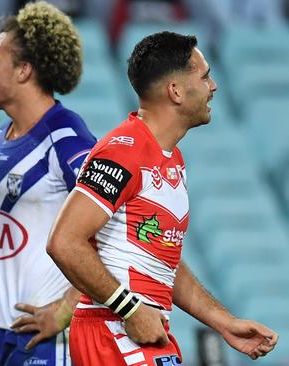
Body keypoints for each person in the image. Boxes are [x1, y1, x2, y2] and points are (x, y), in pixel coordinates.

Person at [46, 31, 279, 364]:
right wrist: (129, 308)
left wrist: (224, 323)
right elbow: (64, 241)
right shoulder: (123, 151)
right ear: (176, 91)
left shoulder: (171, 159)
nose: (214, 86)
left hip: (142, 327)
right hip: (113, 330)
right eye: (205, 76)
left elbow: (161, 259)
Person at [0, 2, 96, 365]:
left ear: (24, 70)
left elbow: (110, 229)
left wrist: (66, 309)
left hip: (44, 338)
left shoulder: (67, 135)